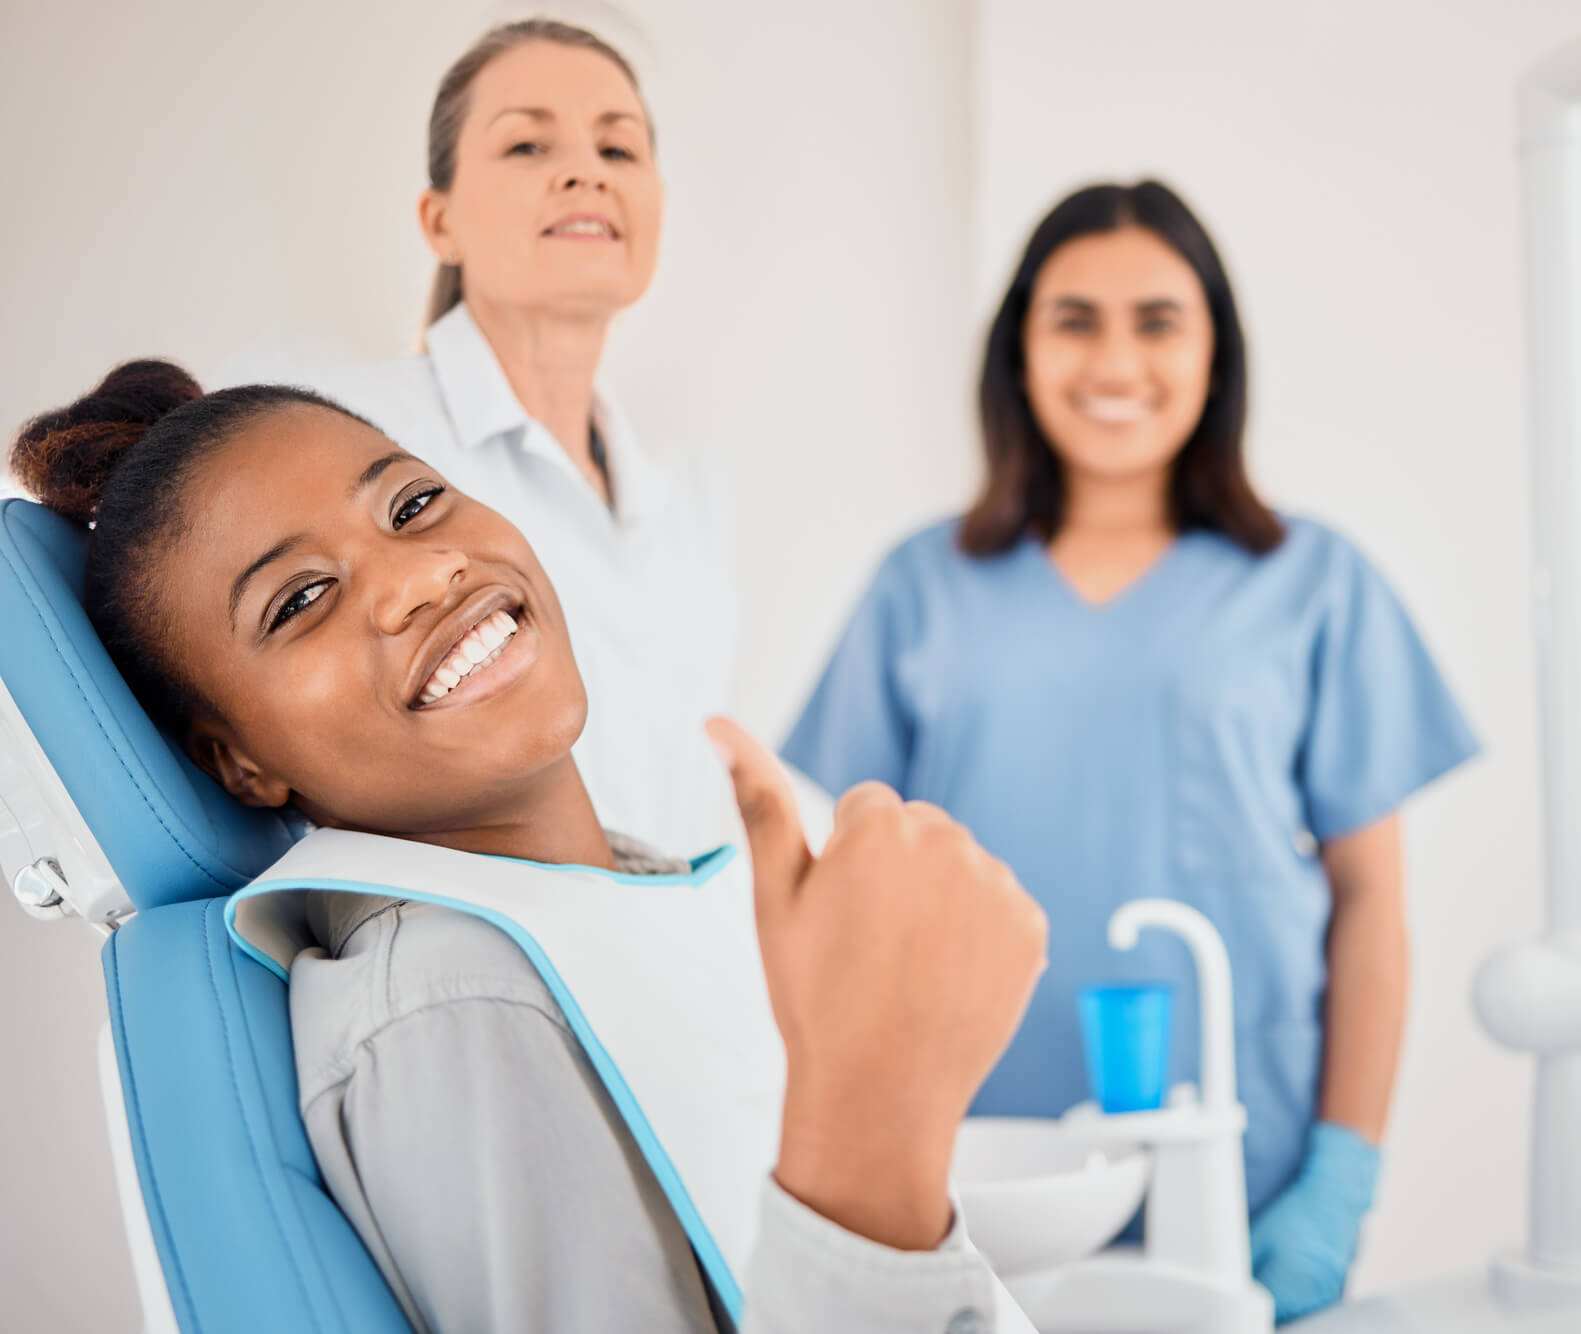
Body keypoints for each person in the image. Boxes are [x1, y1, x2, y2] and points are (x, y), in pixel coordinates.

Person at [10, 360, 1047, 1333]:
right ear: (239, 764)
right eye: (300, 600)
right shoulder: (449, 1000)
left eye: (411, 504)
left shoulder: (623, 885)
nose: (420, 576)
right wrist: (877, 1131)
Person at [783, 180, 1478, 1322]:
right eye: (1074, 320)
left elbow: (1370, 904)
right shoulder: (920, 586)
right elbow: (850, 906)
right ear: (1018, 351)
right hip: (974, 1169)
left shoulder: (1314, 585)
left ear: (1214, 352)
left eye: (1157, 320)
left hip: (1243, 1167)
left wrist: (1339, 1181)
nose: (1115, 360)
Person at [290, 19, 731, 849]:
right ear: (439, 220)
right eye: (528, 146)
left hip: (660, 950)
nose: (582, 173)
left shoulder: (688, 505)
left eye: (619, 151)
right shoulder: (345, 434)